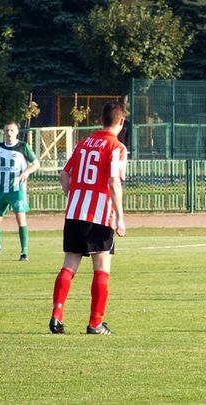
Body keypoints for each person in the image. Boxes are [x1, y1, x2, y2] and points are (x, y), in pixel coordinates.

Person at [49, 101, 127, 335]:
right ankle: (95, 323)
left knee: (69, 265)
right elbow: (113, 182)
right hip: (99, 216)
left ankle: (57, 315)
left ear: (101, 120)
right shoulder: (116, 147)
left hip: (74, 214)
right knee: (101, 268)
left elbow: (64, 175)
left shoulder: (83, 143)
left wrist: (73, 197)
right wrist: (120, 217)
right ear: (121, 121)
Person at [0, 121, 40, 261]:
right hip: (0, 190)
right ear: (4, 132)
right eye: (7, 130)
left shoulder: (23, 146)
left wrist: (27, 172)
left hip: (17, 190)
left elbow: (36, 164)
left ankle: (24, 252)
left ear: (17, 132)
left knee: (20, 218)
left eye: (12, 130)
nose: (9, 133)